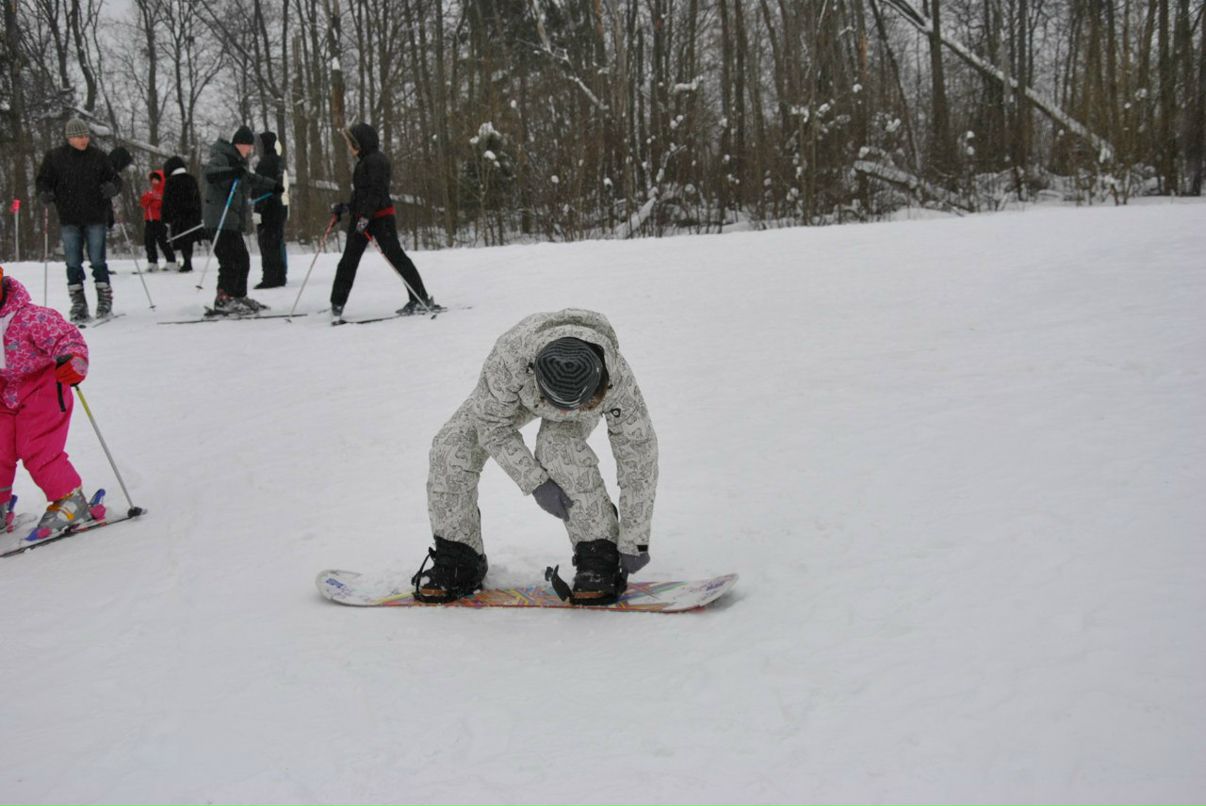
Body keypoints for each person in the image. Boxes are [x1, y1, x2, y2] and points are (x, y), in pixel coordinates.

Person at [413, 309, 659, 606]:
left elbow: (638, 457)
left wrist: (635, 538)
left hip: (571, 395)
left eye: (572, 407)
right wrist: (535, 482)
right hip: (519, 395)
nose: (564, 413)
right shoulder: (509, 360)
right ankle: (460, 559)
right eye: (560, 405)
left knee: (558, 448)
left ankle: (598, 554)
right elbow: (491, 426)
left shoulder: (616, 379)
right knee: (451, 447)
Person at [0, 266, 103, 540]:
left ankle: (70, 499)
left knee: (36, 448)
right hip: (3, 394)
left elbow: (66, 338)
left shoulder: (31, 317)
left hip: (42, 391)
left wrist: (73, 360)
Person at [328, 122, 441, 320]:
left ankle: (420, 298)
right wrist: (346, 208)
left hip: (380, 219)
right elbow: (362, 195)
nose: (349, 147)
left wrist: (365, 217)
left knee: (396, 257)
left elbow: (376, 192)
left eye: (351, 143)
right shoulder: (364, 162)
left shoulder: (377, 161)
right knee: (348, 260)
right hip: (363, 219)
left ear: (360, 143)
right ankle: (336, 303)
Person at [34, 117, 123, 323]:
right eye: (79, 137)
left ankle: (104, 300)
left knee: (98, 260)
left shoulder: (98, 156)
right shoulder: (55, 157)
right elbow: (43, 180)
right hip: (69, 217)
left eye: (85, 136)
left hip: (96, 216)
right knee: (73, 262)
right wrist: (44, 192)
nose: (84, 140)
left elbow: (115, 179)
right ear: (69, 138)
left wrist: (112, 187)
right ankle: (78, 303)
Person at [202, 125, 282, 314]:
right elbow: (210, 174)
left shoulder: (238, 162)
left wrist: (272, 186)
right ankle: (223, 300)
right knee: (230, 261)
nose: (251, 149)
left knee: (242, 259)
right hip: (219, 220)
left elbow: (250, 178)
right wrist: (231, 172)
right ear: (240, 144)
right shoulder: (222, 156)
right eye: (249, 146)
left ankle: (238, 296)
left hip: (231, 220)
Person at [253, 131, 289, 289]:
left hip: (268, 207)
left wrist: (258, 209)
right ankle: (279, 275)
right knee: (276, 241)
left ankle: (270, 277)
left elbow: (261, 187)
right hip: (279, 206)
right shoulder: (278, 160)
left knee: (267, 243)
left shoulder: (265, 163)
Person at [139, 170, 176, 271]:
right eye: (153, 179)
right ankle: (152, 262)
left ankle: (171, 261)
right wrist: (150, 198)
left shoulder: (165, 192)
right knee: (149, 242)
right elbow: (143, 202)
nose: (154, 181)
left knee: (162, 242)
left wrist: (152, 199)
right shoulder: (151, 192)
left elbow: (160, 205)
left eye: (156, 179)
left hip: (160, 221)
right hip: (149, 220)